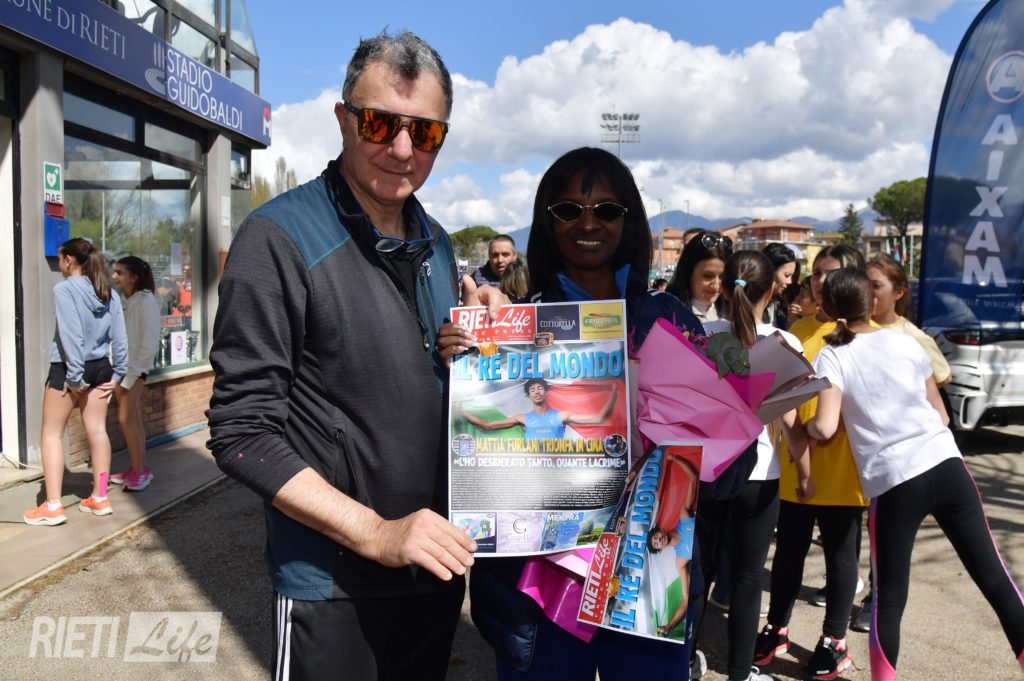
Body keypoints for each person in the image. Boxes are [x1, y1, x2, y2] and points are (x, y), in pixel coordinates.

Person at [207, 30, 504, 681]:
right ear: (343, 119)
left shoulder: (438, 244)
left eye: (425, 132)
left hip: (433, 573)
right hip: (333, 587)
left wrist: (474, 353)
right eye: (379, 123)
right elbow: (241, 432)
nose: (401, 148)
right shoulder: (277, 238)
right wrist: (377, 532)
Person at [454, 147, 706, 680]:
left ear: (629, 220)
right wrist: (460, 357)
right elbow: (474, 441)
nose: (588, 223)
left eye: (606, 210)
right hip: (537, 592)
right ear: (547, 221)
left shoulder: (670, 320)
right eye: (569, 210)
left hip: (648, 577)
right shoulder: (512, 326)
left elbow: (721, 466)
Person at [787, 267, 1024, 681]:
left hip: (895, 481)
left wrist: (802, 425)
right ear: (870, 300)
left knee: (889, 599)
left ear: (828, 307)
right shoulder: (907, 342)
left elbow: (824, 427)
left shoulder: (833, 353)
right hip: (947, 465)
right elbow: (941, 415)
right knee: (995, 578)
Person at [694, 250, 813, 681]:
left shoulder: (700, 336)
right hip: (760, 474)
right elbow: (791, 422)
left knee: (698, 572)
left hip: (706, 470)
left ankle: (683, 661)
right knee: (747, 578)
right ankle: (741, 672)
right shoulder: (786, 344)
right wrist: (805, 472)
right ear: (772, 290)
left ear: (724, 289)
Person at [753, 244, 868, 681]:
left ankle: (834, 640)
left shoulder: (867, 334)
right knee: (788, 552)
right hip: (793, 462)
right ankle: (776, 628)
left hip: (843, 467)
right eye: (816, 273)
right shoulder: (797, 330)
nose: (820, 282)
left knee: (841, 557)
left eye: (830, 273)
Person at [24, 238, 128, 526]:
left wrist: (74, 377)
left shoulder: (65, 289)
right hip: (101, 368)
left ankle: (53, 505)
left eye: (60, 259)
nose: (59, 264)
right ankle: (100, 497)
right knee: (98, 431)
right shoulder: (107, 291)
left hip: (69, 370)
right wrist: (118, 374)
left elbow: (72, 336)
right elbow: (120, 337)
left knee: (51, 434)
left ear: (69, 260)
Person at [109, 256, 160, 491]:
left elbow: (149, 343)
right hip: (122, 369)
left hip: (134, 371)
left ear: (134, 277)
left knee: (126, 419)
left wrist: (132, 376)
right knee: (133, 419)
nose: (115, 277)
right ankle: (139, 467)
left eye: (120, 273)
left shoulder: (146, 301)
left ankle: (140, 472)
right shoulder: (127, 300)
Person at [456, 377, 618, 440]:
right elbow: (487, 425)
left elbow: (598, 418)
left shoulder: (562, 416)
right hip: (533, 470)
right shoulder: (522, 418)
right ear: (529, 396)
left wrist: (613, 394)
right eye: (532, 390)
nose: (536, 392)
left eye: (539, 388)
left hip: (558, 467)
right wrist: (461, 411)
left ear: (546, 393)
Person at [647, 451, 700, 639]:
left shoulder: (684, 517)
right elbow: (685, 600)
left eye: (656, 537)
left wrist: (676, 459)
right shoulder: (680, 562)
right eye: (656, 544)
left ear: (661, 531)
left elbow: (693, 478)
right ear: (661, 549)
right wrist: (668, 626)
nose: (658, 540)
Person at [667, 229, 732, 323]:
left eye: (723, 277)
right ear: (689, 271)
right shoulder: (667, 313)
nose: (716, 286)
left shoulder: (733, 314)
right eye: (707, 276)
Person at [761, 242, 800, 331]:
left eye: (792, 276)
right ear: (769, 271)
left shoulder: (781, 303)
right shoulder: (749, 304)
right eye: (786, 275)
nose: (790, 281)